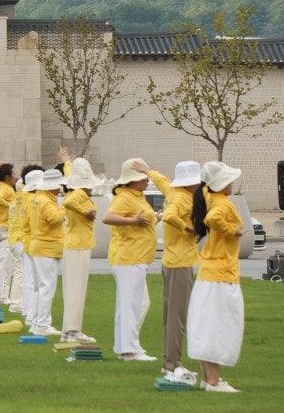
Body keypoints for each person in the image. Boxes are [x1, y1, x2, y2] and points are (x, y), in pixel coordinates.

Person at [187, 161, 245, 393]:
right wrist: (233, 230)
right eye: (229, 181)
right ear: (220, 184)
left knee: (207, 324)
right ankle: (213, 381)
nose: (232, 184)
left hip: (211, 273)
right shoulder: (221, 203)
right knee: (218, 325)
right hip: (221, 274)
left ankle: (208, 379)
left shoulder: (209, 198)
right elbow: (212, 219)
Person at [102, 158, 159, 361]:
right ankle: (130, 349)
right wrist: (133, 220)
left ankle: (125, 347)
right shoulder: (125, 197)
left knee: (133, 303)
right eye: (143, 178)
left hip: (136, 256)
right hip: (129, 257)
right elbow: (107, 217)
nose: (147, 181)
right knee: (132, 304)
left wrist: (154, 218)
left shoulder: (137, 196)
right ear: (133, 180)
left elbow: (141, 221)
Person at [155, 161, 201, 381]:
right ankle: (173, 363)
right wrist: (187, 227)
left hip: (172, 260)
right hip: (180, 262)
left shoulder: (174, 192)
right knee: (177, 316)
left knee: (171, 314)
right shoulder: (183, 198)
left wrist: (148, 171)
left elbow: (162, 181)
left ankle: (169, 361)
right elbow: (169, 215)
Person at [60, 158, 98, 343]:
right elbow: (68, 202)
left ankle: (68, 330)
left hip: (74, 244)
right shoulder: (80, 193)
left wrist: (67, 162)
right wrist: (85, 211)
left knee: (72, 289)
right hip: (79, 245)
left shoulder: (77, 192)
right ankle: (73, 330)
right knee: (76, 289)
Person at [28, 168, 65, 336]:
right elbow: (54, 218)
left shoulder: (37, 198)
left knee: (40, 287)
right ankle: (42, 324)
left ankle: (37, 322)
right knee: (47, 288)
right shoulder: (46, 201)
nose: (60, 188)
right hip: (47, 247)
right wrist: (66, 208)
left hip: (38, 245)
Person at [16, 167, 43, 325]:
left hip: (25, 239)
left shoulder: (23, 195)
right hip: (32, 241)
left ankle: (28, 311)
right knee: (35, 281)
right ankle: (32, 314)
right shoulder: (33, 199)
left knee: (29, 279)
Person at [0, 164, 19, 307]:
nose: (15, 176)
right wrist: (12, 206)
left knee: (6, 264)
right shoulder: (5, 189)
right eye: (13, 174)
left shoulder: (2, 185)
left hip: (4, 228)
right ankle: (1, 296)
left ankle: (1, 295)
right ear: (7, 177)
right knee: (5, 264)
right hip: (3, 230)